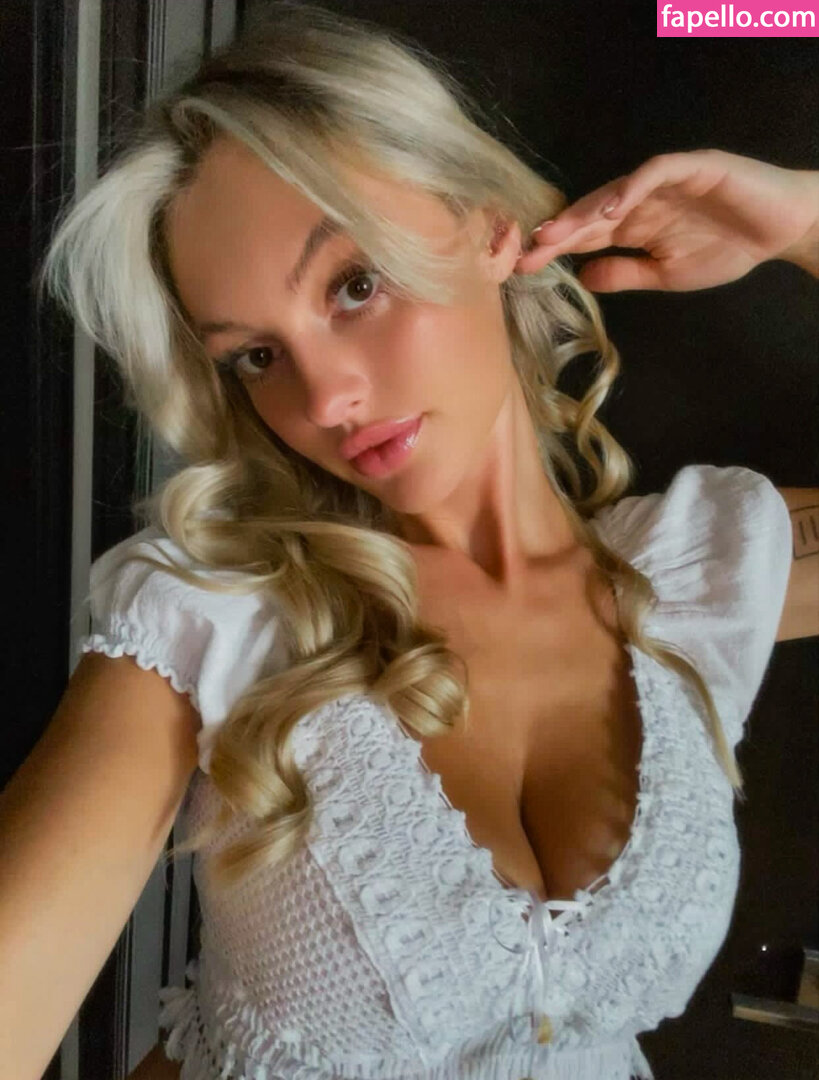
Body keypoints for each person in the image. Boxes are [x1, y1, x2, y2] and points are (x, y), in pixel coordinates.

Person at [3, 2, 817, 1078]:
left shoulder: (691, 578)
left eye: (355, 285)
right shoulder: (216, 615)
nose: (325, 398)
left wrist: (805, 222)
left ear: (489, 227)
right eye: (255, 357)